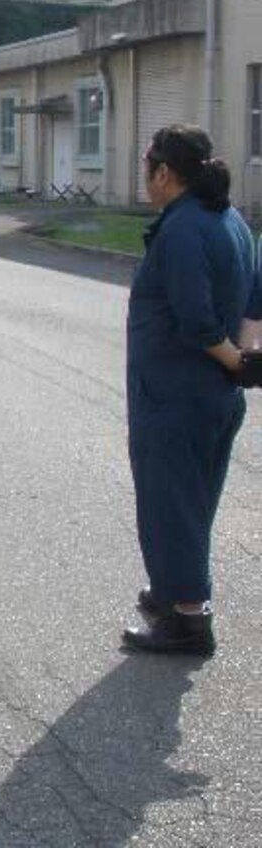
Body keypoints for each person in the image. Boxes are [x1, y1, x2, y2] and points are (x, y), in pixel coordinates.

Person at [122, 123, 255, 656]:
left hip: (175, 396)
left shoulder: (181, 230)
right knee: (192, 500)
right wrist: (243, 358)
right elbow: (257, 294)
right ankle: (172, 591)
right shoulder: (230, 220)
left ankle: (188, 620)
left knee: (170, 502)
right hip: (212, 396)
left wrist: (234, 358)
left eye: (147, 168)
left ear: (164, 172)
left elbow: (197, 321)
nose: (146, 180)